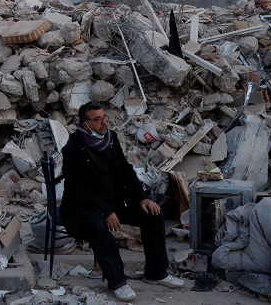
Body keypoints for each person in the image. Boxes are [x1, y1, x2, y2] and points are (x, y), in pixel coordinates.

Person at [60, 101, 184, 302]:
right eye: (97, 119)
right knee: (98, 227)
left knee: (153, 214)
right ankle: (117, 282)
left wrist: (143, 197)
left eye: (104, 118)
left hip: (115, 201)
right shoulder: (73, 148)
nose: (103, 123)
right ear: (85, 124)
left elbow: (126, 171)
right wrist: (105, 210)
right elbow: (77, 188)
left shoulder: (110, 139)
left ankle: (156, 273)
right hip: (84, 207)